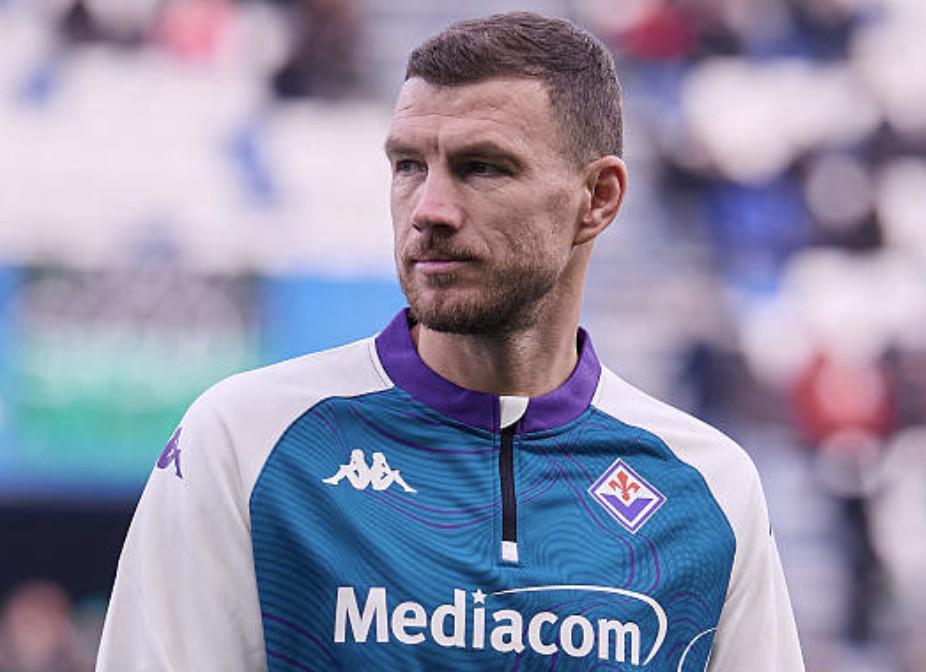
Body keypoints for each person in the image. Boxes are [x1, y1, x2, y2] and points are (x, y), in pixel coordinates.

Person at [96, 12, 804, 671]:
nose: (429, 210)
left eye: (482, 167)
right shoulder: (247, 442)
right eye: (408, 165)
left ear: (598, 198)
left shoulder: (709, 490)